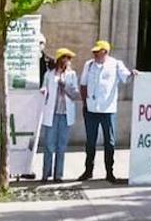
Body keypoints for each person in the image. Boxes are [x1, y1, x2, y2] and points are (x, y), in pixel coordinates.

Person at [78, 40, 134, 183]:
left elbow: (126, 78)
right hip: (91, 109)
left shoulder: (115, 64)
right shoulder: (89, 65)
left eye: (98, 51)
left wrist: (133, 74)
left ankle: (110, 172)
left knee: (109, 142)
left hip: (108, 110)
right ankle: (88, 170)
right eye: (95, 52)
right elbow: (83, 84)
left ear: (106, 52)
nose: (95, 54)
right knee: (90, 142)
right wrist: (85, 102)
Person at [40, 48, 79, 182]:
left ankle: (59, 175)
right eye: (64, 58)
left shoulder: (72, 75)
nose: (67, 61)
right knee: (49, 145)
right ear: (59, 60)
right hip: (52, 113)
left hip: (65, 114)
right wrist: (44, 90)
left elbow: (75, 94)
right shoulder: (49, 75)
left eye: (68, 59)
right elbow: (45, 88)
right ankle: (46, 173)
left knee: (61, 146)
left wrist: (65, 86)